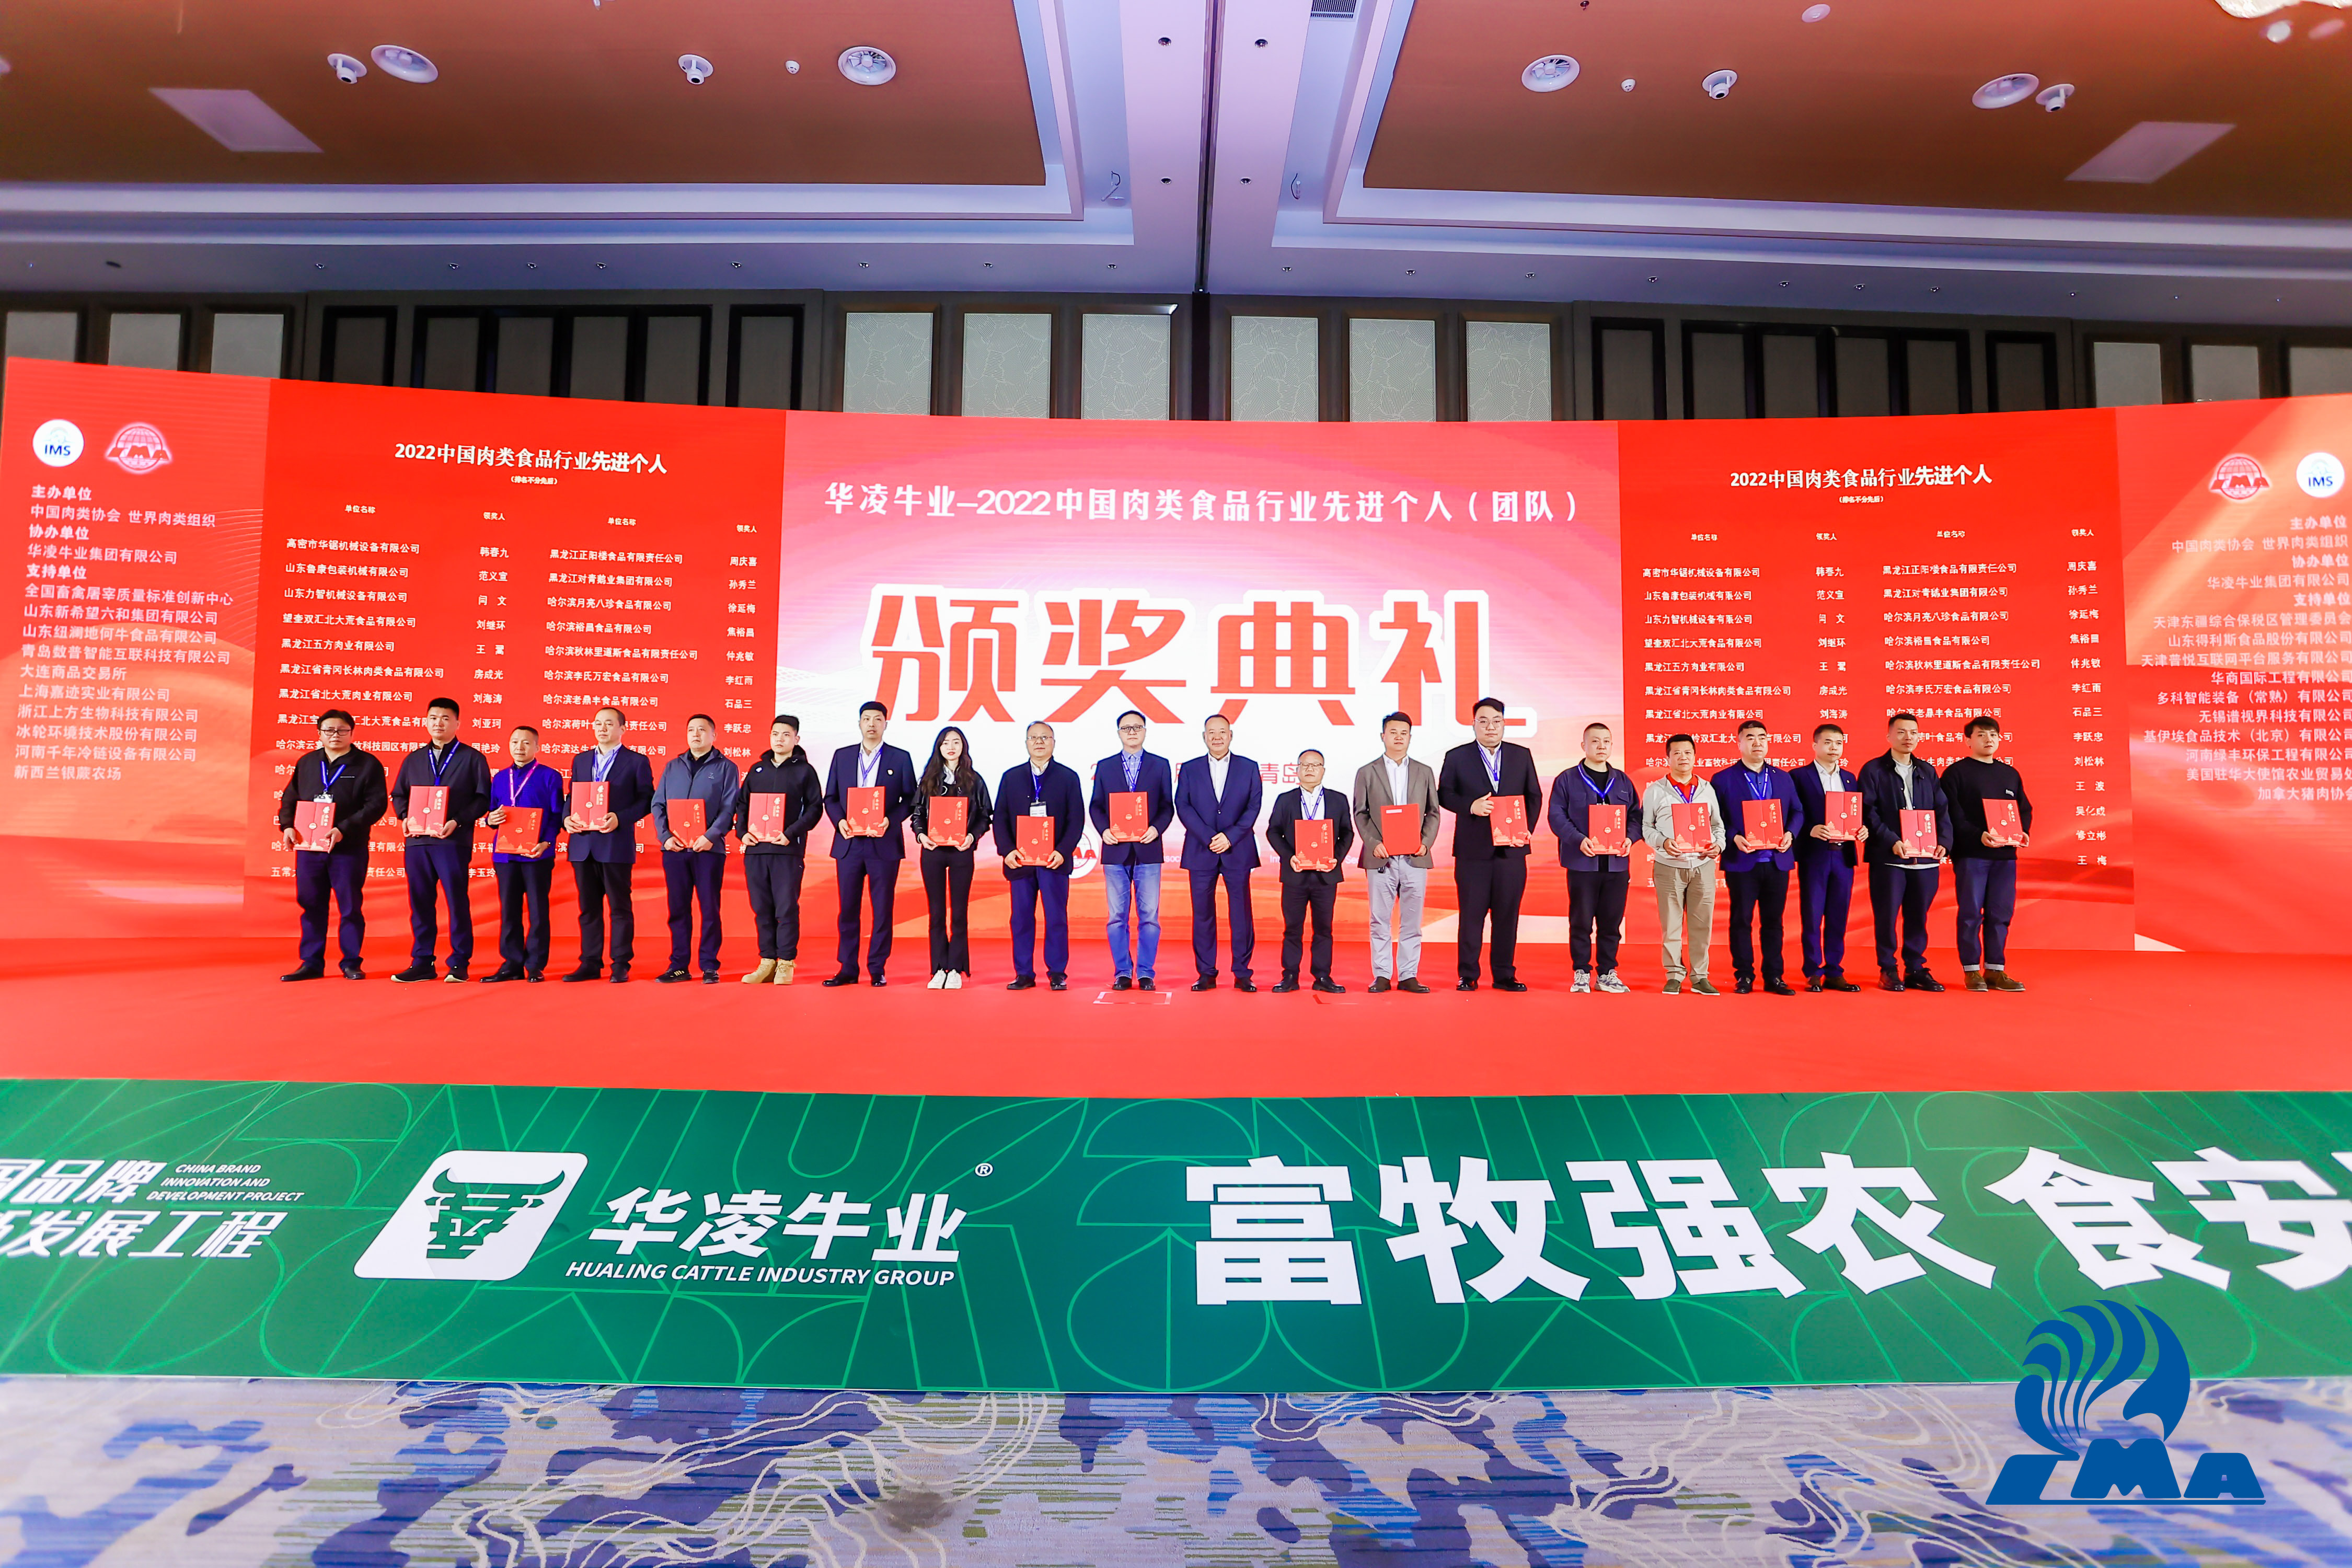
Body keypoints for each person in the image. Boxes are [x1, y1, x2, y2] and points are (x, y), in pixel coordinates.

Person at [1437, 697, 1543, 991]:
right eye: (1483, 721)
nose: (1490, 727)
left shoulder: (1521, 756)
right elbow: (1444, 794)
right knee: (1471, 916)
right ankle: (1468, 974)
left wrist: (1527, 829)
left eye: (1496, 721)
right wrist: (1470, 806)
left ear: (1504, 724)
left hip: (1512, 851)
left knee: (1507, 915)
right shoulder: (1458, 757)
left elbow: (1534, 796)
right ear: (1474, 724)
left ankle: (1504, 974)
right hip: (1473, 852)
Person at [276, 708, 387, 981]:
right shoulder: (307, 763)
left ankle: (351, 962)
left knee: (350, 906)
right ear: (319, 733)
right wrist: (287, 826)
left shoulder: (367, 764)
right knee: (311, 904)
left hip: (348, 848)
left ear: (352, 733)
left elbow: (376, 805)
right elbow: (290, 798)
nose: (335, 735)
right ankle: (311, 962)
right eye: (329, 730)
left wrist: (344, 829)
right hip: (310, 848)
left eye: (342, 730)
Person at [389, 696, 494, 984]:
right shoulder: (413, 759)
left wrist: (457, 820)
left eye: (446, 718)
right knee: (420, 902)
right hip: (418, 842)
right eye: (434, 718)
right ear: (426, 722)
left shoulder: (472, 758)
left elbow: (482, 798)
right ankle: (422, 961)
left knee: (457, 901)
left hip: (452, 841)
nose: (439, 723)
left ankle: (459, 962)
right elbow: (398, 795)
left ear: (457, 723)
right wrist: (404, 817)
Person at [822, 700, 916, 987]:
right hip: (849, 843)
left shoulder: (900, 758)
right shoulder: (843, 756)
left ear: (886, 724)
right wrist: (840, 822)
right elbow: (831, 798)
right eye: (867, 719)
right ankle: (847, 968)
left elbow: (910, 799)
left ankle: (877, 967)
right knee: (848, 909)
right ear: (860, 723)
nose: (872, 724)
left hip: (883, 843)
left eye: (877, 719)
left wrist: (891, 820)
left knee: (882, 908)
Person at [1858, 711, 1952, 993]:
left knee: (1918, 917)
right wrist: (1891, 840)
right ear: (1889, 736)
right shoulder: (1873, 770)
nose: (1908, 737)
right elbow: (1868, 811)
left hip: (1925, 860)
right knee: (1886, 916)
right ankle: (1888, 969)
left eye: (1913, 732)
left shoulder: (1927, 771)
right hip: (1890, 859)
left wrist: (1944, 841)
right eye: (1901, 732)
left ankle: (1916, 968)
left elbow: (1942, 809)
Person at [1711, 719, 1804, 996]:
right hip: (1743, 862)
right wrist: (1734, 837)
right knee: (1741, 920)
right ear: (1739, 743)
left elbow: (1798, 811)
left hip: (1777, 861)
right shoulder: (1723, 779)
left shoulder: (1783, 777)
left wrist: (1791, 834)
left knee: (1774, 922)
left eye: (1762, 737)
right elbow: (1717, 818)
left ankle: (1774, 976)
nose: (1757, 743)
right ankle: (1744, 975)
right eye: (1750, 738)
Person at [1547, 721, 1641, 994]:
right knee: (1581, 921)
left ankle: (1607, 972)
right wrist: (1578, 840)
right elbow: (1556, 816)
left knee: (1612, 922)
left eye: (1606, 741)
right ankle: (1581, 972)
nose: (1602, 746)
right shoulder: (1567, 779)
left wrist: (1630, 838)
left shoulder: (1622, 781)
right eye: (1595, 741)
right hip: (1582, 863)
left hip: (1616, 864)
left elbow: (1636, 816)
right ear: (1584, 745)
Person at [563, 704, 655, 983]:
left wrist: (621, 818)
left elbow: (646, 800)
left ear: (622, 729)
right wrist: (566, 818)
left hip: (615, 843)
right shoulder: (581, 760)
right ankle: (590, 963)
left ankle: (620, 963)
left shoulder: (636, 761)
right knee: (588, 909)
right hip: (583, 843)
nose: (602, 728)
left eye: (609, 723)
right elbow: (572, 795)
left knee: (619, 907)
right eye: (598, 723)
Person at [1943, 715, 2033, 993]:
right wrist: (1977, 835)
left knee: (2000, 912)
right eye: (1981, 735)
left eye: (1993, 735)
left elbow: (2024, 809)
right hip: (1972, 855)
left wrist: (2023, 832)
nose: (1988, 739)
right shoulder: (1956, 773)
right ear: (1968, 740)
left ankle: (1995, 970)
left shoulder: (2010, 774)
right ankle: (1971, 970)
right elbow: (1951, 815)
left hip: (2005, 857)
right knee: (1971, 913)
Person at [733, 714, 825, 985]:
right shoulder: (757, 770)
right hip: (756, 850)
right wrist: (742, 833)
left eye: (786, 735)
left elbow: (815, 808)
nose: (779, 739)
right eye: (775, 734)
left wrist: (790, 834)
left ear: (796, 739)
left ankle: (786, 962)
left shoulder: (805, 771)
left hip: (787, 850)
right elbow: (742, 805)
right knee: (762, 908)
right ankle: (767, 961)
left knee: (785, 908)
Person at [993, 721, 1084, 990]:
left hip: (1053, 861)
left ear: (1054, 743)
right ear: (1026, 743)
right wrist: (1007, 851)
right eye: (1033, 738)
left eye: (1045, 737)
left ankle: (1057, 973)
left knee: (1056, 918)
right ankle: (1023, 973)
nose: (1039, 742)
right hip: (1020, 861)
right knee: (1021, 918)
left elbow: (1076, 819)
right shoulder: (1011, 777)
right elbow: (1000, 818)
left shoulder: (1068, 777)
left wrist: (1062, 851)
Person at [1351, 711, 1438, 994]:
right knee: (1380, 919)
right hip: (1381, 856)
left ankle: (1409, 975)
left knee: (1412, 921)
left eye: (1404, 733)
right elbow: (1360, 813)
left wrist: (1426, 842)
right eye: (1393, 732)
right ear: (1383, 736)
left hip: (1415, 856)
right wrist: (1373, 842)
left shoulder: (1424, 772)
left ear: (1410, 737)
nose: (1399, 737)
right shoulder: (1367, 772)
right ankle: (1382, 975)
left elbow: (1433, 812)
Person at [1088, 709, 1175, 992]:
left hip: (1148, 849)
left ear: (1145, 731)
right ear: (1119, 733)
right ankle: (1123, 972)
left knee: (1149, 917)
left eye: (1137, 727)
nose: (1132, 732)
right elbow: (1096, 806)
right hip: (1116, 850)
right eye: (1126, 728)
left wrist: (1157, 829)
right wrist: (1104, 830)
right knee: (1117, 918)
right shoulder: (1105, 766)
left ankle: (1146, 972)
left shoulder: (1160, 765)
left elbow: (1167, 806)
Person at [1175, 713, 1263, 991]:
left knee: (1241, 913)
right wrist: (1209, 837)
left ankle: (1242, 972)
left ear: (1231, 735)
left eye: (1222, 732)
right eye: (1211, 732)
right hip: (1201, 849)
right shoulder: (1190, 769)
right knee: (1202, 914)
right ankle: (1206, 972)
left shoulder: (1249, 767)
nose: (1217, 737)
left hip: (1238, 850)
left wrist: (1230, 837)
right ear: (1204, 737)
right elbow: (1183, 806)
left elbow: (1253, 807)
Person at [652, 713, 740, 984]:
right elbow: (658, 804)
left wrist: (711, 836)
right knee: (678, 909)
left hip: (708, 850)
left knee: (710, 908)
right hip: (676, 850)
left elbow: (729, 807)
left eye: (702, 730)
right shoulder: (673, 766)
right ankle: (679, 965)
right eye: (692, 729)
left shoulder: (726, 767)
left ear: (714, 736)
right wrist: (665, 837)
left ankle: (709, 965)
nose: (696, 734)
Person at [1642, 732, 1726, 996]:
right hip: (1669, 865)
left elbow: (1718, 826)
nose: (1683, 757)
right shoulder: (1655, 790)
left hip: (1703, 865)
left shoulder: (1707, 789)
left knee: (1703, 923)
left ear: (1695, 756)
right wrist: (1663, 842)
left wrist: (1719, 845)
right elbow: (1646, 827)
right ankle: (1674, 975)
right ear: (1667, 758)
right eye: (1677, 753)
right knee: (1672, 925)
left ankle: (1700, 976)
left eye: (1688, 753)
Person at [1265, 749, 1354, 993]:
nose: (1310, 769)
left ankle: (1322, 977)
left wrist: (1336, 858)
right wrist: (1290, 857)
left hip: (1326, 875)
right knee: (1292, 928)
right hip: (1295, 874)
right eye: (1305, 765)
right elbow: (1273, 831)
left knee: (1324, 929)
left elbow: (1347, 832)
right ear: (1297, 770)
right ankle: (1290, 976)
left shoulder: (1338, 800)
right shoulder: (1286, 800)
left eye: (1316, 765)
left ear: (1323, 770)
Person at [481, 723, 563, 983]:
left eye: (526, 742)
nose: (520, 747)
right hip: (505, 855)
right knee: (509, 911)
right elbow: (492, 812)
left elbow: (557, 816)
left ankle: (535, 965)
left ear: (537, 747)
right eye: (515, 742)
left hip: (537, 854)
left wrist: (547, 843)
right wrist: (490, 819)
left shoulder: (550, 776)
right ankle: (512, 964)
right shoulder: (500, 778)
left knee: (538, 910)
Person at [914, 725, 991, 989]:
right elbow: (917, 814)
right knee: (936, 913)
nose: (951, 747)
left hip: (961, 852)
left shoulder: (974, 780)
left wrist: (972, 837)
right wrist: (921, 836)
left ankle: (956, 968)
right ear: (939, 747)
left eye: (956, 742)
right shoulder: (929, 779)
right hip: (933, 852)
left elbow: (985, 816)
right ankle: (938, 968)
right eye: (946, 742)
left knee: (959, 912)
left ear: (963, 747)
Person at [1790, 722, 1863, 993]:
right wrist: (1809, 829)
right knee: (1812, 915)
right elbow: (1792, 813)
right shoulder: (1799, 776)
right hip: (1815, 855)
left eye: (1839, 743)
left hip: (1843, 855)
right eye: (1828, 742)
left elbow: (1856, 813)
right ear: (1815, 745)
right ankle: (1813, 971)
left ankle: (1834, 970)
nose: (1834, 748)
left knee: (1838, 915)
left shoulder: (1850, 778)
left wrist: (1863, 828)